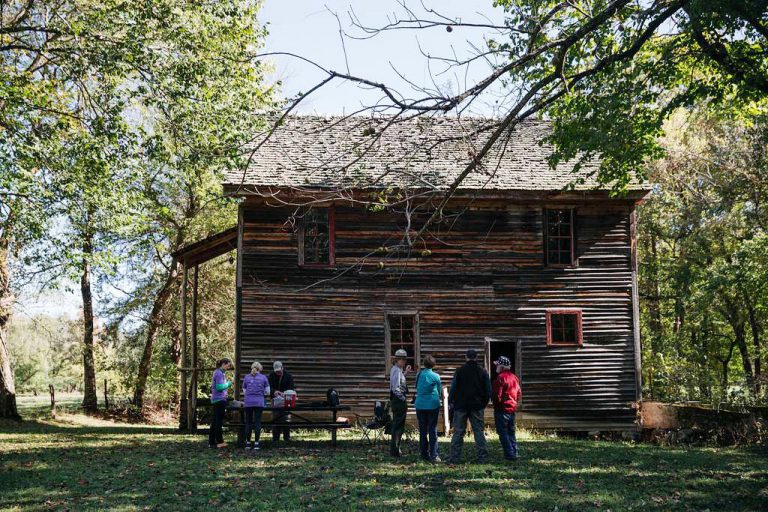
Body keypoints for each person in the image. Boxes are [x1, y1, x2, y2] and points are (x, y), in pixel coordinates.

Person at [447, 348, 491, 464]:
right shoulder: (483, 371)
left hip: (461, 405)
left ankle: (454, 458)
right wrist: (484, 403)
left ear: (466, 358)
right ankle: (483, 458)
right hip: (477, 405)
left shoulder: (459, 371)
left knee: (458, 432)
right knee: (478, 431)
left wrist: (451, 401)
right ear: (476, 358)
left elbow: (453, 388)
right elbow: (488, 390)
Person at [492, 355, 522, 461]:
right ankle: (514, 451)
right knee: (511, 432)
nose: (495, 367)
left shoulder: (501, 378)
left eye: (497, 365)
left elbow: (497, 395)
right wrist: (514, 403)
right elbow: (518, 393)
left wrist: (496, 404)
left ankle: (509, 454)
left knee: (503, 432)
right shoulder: (514, 377)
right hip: (512, 409)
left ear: (502, 366)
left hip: (502, 409)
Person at [415, 354, 442, 462]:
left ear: (424, 364)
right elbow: (439, 391)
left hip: (420, 404)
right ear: (433, 364)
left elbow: (417, 387)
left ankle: (423, 453)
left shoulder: (419, 374)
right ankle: (434, 454)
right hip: (432, 405)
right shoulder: (436, 376)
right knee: (432, 429)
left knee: (422, 430)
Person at [242, 361, 270, 451]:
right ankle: (257, 443)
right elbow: (268, 392)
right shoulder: (264, 378)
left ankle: (248, 443)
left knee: (248, 422)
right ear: (260, 369)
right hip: (259, 402)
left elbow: (245, 391)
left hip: (248, 402)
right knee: (257, 422)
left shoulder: (246, 377)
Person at [389, 348, 411, 457]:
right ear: (398, 360)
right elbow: (395, 388)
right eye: (402, 359)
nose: (404, 361)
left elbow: (399, 381)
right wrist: (403, 399)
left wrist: (405, 373)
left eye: (404, 359)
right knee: (398, 426)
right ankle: (395, 451)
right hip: (398, 401)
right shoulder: (396, 370)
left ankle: (396, 449)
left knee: (398, 425)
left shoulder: (398, 370)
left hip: (398, 400)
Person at [268, 361, 295, 442]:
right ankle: (275, 438)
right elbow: (268, 388)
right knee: (275, 418)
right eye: (276, 371)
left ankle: (287, 438)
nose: (278, 373)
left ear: (282, 368)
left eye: (279, 371)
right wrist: (274, 391)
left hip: (286, 400)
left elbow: (291, 388)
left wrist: (285, 393)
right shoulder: (271, 376)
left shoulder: (288, 376)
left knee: (286, 419)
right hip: (275, 401)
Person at [209, 358, 233, 448]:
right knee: (218, 422)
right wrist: (228, 384)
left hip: (218, 399)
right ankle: (219, 442)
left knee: (215, 421)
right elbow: (219, 387)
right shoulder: (219, 373)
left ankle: (211, 443)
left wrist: (225, 393)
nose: (228, 367)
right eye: (228, 365)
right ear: (223, 364)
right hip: (219, 400)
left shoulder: (219, 372)